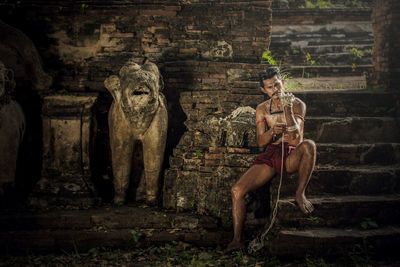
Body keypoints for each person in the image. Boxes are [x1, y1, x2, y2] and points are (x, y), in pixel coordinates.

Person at [225, 66, 316, 253]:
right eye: (269, 87)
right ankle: (236, 240)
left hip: (291, 154)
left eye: (276, 84)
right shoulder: (261, 109)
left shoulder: (298, 104)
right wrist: (272, 131)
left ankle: (300, 193)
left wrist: (288, 110)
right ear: (263, 91)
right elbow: (260, 142)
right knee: (236, 190)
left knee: (309, 145)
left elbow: (295, 139)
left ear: (282, 83)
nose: (275, 90)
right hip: (271, 154)